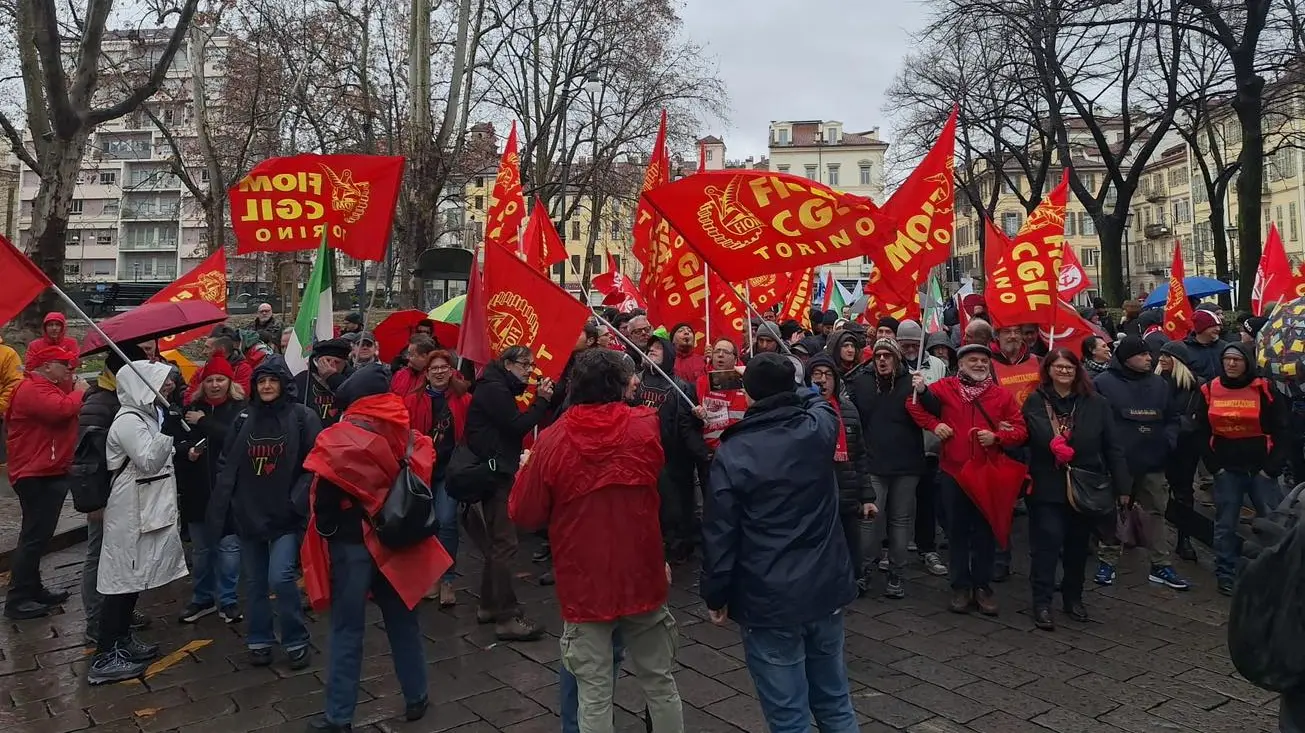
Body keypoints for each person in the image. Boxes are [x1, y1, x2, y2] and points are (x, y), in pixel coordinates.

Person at [511, 349, 684, 733]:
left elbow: (525, 514)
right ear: (617, 386)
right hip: (641, 571)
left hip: (585, 580)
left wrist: (526, 470)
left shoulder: (552, 441)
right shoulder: (645, 426)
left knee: (593, 693)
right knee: (660, 683)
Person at [702, 353, 860, 733]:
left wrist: (715, 594)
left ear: (748, 394)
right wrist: (792, 385)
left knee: (789, 716)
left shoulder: (733, 452)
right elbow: (818, 400)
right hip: (823, 586)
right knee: (835, 702)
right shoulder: (818, 429)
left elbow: (720, 533)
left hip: (767, 597)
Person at [302, 364, 446, 732]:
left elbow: (325, 504)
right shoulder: (404, 430)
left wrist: (331, 528)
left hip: (353, 545)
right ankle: (416, 695)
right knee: (403, 621)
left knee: (347, 629)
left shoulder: (340, 438)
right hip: (397, 539)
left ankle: (339, 716)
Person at [208, 355, 322, 670]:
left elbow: (315, 463)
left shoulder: (302, 417)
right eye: (262, 381)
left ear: (284, 383)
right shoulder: (244, 418)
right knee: (256, 582)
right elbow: (227, 461)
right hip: (249, 513)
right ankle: (259, 638)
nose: (267, 386)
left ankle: (295, 638)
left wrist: (296, 502)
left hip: (286, 515)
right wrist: (232, 501)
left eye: (273, 380)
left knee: (281, 576)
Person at [87, 361, 188, 685]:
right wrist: (168, 430)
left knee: (133, 580)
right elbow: (148, 460)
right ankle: (105, 654)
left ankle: (122, 641)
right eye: (159, 382)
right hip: (129, 511)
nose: (166, 386)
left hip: (142, 507)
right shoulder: (129, 421)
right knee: (121, 581)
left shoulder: (145, 416)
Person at [907, 343, 1028, 616]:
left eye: (983, 360)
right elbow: (912, 404)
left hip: (986, 474)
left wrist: (998, 437)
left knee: (985, 532)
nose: (979, 364)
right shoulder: (945, 388)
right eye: (972, 360)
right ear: (960, 365)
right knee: (957, 531)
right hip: (954, 472)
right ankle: (960, 586)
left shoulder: (1001, 395)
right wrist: (934, 424)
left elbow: (1020, 430)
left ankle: (982, 586)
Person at [1021, 349, 1129, 630]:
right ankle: (1042, 601)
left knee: (1077, 545)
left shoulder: (1097, 403)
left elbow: (1113, 447)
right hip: (1046, 484)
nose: (1064, 371)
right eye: (1058, 366)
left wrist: (1123, 486)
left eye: (1069, 366)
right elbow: (1026, 439)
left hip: (1085, 485)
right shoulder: (1035, 400)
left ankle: (1073, 597)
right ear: (1048, 370)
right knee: (1047, 543)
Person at [463, 346, 554, 641]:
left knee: (497, 543)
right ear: (508, 364)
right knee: (505, 543)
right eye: (525, 365)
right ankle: (507, 616)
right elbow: (516, 426)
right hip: (494, 473)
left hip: (493, 470)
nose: (529, 370)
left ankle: (489, 605)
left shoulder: (497, 385)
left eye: (531, 365)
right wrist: (541, 401)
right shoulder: (494, 389)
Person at [1091, 336, 1190, 590]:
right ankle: (1108, 560)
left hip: (1153, 460)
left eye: (1149, 354)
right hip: (1118, 462)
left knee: (1155, 512)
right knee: (1113, 512)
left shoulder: (1159, 384)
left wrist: (1168, 441)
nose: (1150, 358)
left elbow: (1172, 417)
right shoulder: (1102, 383)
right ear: (1126, 358)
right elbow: (1095, 420)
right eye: (1142, 354)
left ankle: (1160, 564)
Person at [76, 343, 153, 643]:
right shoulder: (101, 403)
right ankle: (96, 620)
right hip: (105, 496)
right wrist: (93, 503)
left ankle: (118, 613)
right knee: (99, 555)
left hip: (126, 493)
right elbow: (86, 459)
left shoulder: (125, 398)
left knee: (123, 556)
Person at [3, 344, 86, 620]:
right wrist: (80, 391)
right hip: (36, 472)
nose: (69, 369)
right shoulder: (33, 389)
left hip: (44, 470)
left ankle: (32, 588)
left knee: (37, 535)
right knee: (34, 537)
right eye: (64, 364)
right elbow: (61, 410)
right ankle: (18, 599)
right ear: (47, 366)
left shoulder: (43, 387)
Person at [1200, 342, 1290, 596]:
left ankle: (1274, 574)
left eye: (1237, 359)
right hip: (1228, 471)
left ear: (1247, 362)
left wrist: (1271, 468)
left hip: (1262, 471)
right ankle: (1226, 573)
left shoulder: (1264, 389)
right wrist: (1215, 467)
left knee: (1273, 524)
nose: (1231, 364)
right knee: (1226, 525)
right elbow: (1201, 432)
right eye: (1227, 359)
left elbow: (1282, 429)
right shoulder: (1209, 389)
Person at [174, 356, 246, 625]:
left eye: (220, 380)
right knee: (202, 552)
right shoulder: (190, 409)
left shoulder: (241, 409)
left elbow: (237, 439)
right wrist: (187, 451)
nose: (215, 385)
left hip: (228, 493)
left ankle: (228, 599)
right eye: (210, 380)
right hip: (198, 492)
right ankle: (202, 598)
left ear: (230, 382)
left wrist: (204, 422)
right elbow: (175, 443)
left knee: (228, 549)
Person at [846, 339, 920, 598]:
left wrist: (925, 392)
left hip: (906, 464)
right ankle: (864, 569)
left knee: (900, 520)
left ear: (897, 358)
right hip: (874, 462)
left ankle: (896, 573)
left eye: (888, 355)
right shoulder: (862, 382)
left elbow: (932, 412)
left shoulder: (912, 383)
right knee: (869, 520)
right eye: (878, 355)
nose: (882, 360)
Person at [403, 349, 470, 607]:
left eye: (444, 367)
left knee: (446, 521)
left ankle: (448, 578)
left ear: (452, 371)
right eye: (434, 368)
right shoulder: (412, 400)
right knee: (425, 524)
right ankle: (431, 575)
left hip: (449, 471)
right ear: (426, 373)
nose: (439, 372)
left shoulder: (463, 399)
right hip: (421, 471)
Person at [807, 353, 878, 596]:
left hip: (846, 489)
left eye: (828, 375)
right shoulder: (802, 411)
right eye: (817, 375)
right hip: (816, 492)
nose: (822, 380)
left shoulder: (848, 409)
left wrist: (867, 496)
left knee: (850, 541)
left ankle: (854, 578)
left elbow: (860, 455)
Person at [635, 336, 709, 563]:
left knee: (676, 507)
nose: (652, 350)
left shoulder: (681, 387)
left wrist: (698, 419)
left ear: (668, 354)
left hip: (673, 459)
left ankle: (680, 545)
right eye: (650, 348)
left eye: (658, 348)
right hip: (641, 457)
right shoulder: (636, 382)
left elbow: (689, 427)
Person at [1156, 342, 1206, 562]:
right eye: (1161, 355)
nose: (1162, 359)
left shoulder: (1196, 386)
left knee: (1184, 493)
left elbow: (1197, 418)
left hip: (1186, 447)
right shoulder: (1155, 382)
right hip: (1160, 445)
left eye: (1167, 356)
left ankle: (1184, 540)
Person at [696, 338, 747, 454]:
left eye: (726, 352)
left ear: (735, 359)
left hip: (740, 450)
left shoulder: (746, 382)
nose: (720, 355)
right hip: (709, 452)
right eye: (717, 351)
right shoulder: (701, 382)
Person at [293, 338, 352, 426]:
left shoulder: (351, 378)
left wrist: (333, 378)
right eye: (327, 360)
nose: (331, 365)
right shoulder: (301, 379)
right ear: (317, 361)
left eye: (337, 362)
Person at [185, 334, 252, 402]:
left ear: (222, 349)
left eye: (208, 348)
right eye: (209, 380)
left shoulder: (242, 368)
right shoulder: (201, 370)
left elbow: (241, 397)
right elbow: (188, 396)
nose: (204, 352)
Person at [1184, 309, 1224, 381]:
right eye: (1213, 326)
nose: (1218, 329)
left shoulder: (1225, 347)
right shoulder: (1184, 349)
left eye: (1219, 326)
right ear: (1201, 327)